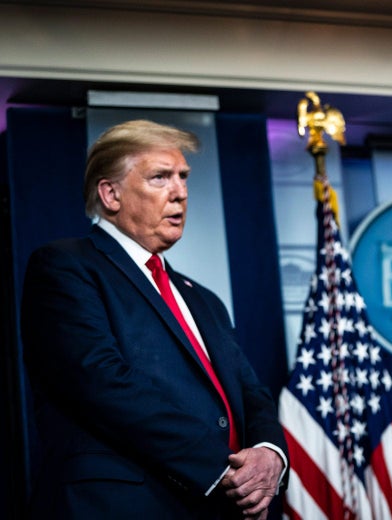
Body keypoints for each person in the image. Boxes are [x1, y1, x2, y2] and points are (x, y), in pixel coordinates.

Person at [21, 120, 288, 519]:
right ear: (110, 194)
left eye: (183, 177)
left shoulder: (204, 299)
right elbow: (101, 382)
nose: (180, 192)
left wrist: (269, 453)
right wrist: (224, 470)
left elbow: (252, 392)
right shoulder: (66, 266)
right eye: (160, 177)